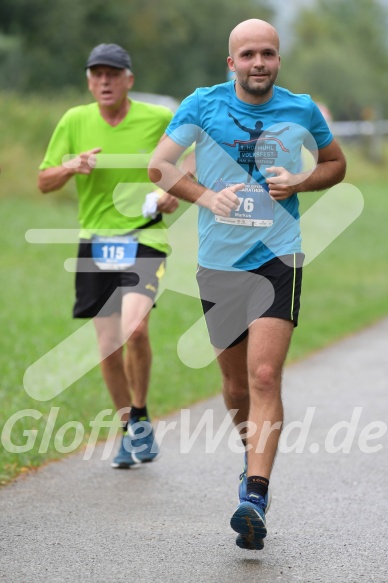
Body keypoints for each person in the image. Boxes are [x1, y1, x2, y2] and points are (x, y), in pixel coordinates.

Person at [149, 19, 346, 550]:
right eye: (249, 55)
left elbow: (336, 164)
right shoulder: (202, 104)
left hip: (279, 255)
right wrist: (207, 197)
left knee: (263, 375)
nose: (259, 63)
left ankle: (254, 495)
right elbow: (160, 166)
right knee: (236, 388)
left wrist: (302, 181)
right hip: (219, 263)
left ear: (278, 60)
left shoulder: (300, 109)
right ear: (231, 62)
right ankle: (250, 458)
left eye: (269, 54)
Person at [38, 43, 179, 469]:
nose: (104, 81)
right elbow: (44, 181)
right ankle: (130, 429)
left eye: (112, 74)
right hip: (96, 243)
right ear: (88, 80)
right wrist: (70, 167)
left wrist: (170, 192)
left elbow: (190, 158)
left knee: (135, 330)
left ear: (128, 80)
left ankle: (139, 412)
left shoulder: (157, 118)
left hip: (144, 237)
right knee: (106, 348)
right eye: (97, 74)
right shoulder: (74, 121)